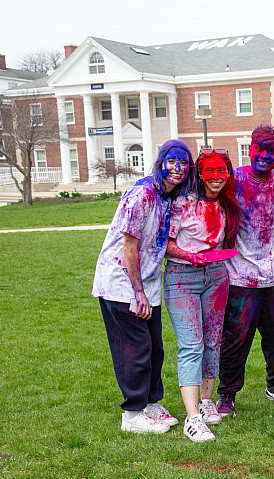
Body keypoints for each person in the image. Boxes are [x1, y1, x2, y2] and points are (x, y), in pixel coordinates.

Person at [93, 139, 195, 434]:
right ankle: (133, 415)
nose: (177, 168)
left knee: (155, 348)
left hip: (147, 283)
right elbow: (129, 247)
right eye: (172, 161)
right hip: (122, 283)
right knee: (135, 349)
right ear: (160, 162)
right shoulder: (143, 194)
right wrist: (137, 293)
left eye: (183, 163)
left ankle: (150, 403)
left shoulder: (167, 196)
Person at [163, 148, 241, 441]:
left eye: (222, 171)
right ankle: (192, 417)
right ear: (199, 173)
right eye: (210, 171)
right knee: (192, 344)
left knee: (213, 340)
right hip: (182, 277)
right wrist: (188, 256)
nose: (216, 177)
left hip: (217, 275)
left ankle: (207, 401)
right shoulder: (183, 203)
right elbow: (167, 244)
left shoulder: (226, 205)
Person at [215, 125, 274, 416]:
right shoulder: (233, 180)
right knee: (236, 338)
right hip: (238, 275)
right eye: (260, 148)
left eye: (271, 150)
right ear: (250, 148)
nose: (265, 155)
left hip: (272, 275)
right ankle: (227, 393)